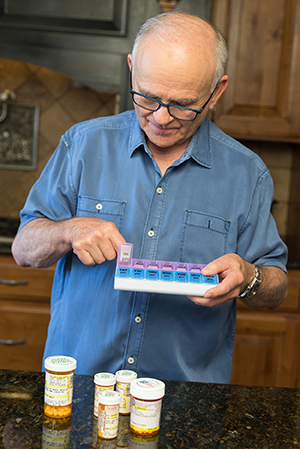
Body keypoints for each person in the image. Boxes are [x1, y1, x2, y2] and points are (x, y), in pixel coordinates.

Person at [12, 12, 288, 383]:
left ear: (217, 91)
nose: (161, 117)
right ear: (131, 68)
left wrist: (250, 277)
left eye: (183, 104)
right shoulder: (81, 144)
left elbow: (276, 284)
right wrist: (68, 231)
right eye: (148, 97)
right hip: (78, 388)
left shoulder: (247, 175)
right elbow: (23, 248)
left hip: (187, 403)